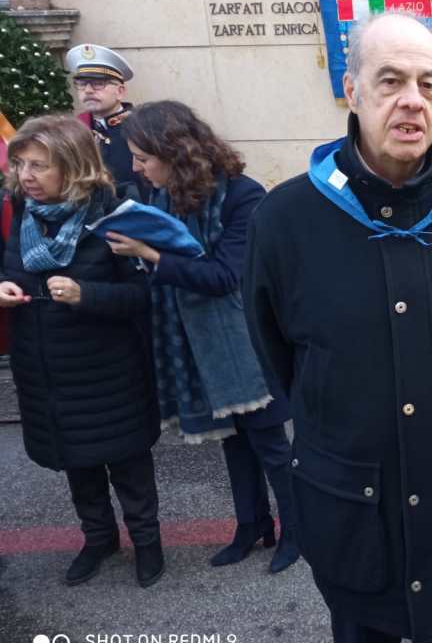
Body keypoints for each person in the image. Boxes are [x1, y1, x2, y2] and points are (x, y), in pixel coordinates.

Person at [244, 11, 432, 643]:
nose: (413, 101)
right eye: (391, 81)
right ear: (352, 90)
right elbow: (279, 354)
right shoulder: (285, 218)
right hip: (352, 512)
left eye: (429, 84)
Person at [108, 100, 298, 574]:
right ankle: (251, 525)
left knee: (271, 446)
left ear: (174, 152)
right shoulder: (161, 196)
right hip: (196, 342)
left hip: (245, 343)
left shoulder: (243, 195)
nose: (136, 168)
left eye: (143, 158)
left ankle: (298, 531)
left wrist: (151, 255)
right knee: (233, 442)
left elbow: (224, 276)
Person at [0, 114, 164, 587]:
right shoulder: (21, 212)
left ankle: (148, 543)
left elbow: (145, 295)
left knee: (128, 464)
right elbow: (11, 271)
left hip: (108, 372)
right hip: (45, 371)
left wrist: (86, 295)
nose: (26, 176)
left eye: (39, 165)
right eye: (21, 165)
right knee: (77, 463)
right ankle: (98, 538)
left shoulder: (114, 214)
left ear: (72, 166)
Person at [65, 44, 147, 199]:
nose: (88, 90)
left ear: (120, 91)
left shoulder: (144, 127)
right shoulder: (73, 130)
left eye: (98, 84)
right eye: (82, 84)